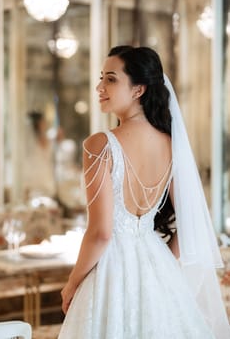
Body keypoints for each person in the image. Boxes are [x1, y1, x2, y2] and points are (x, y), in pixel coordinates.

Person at [58, 46, 230, 338]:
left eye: (111, 79)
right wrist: (161, 266)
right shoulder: (170, 144)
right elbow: (189, 225)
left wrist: (72, 283)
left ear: (138, 89)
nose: (99, 87)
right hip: (157, 265)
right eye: (101, 78)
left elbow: (101, 232)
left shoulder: (100, 145)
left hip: (110, 270)